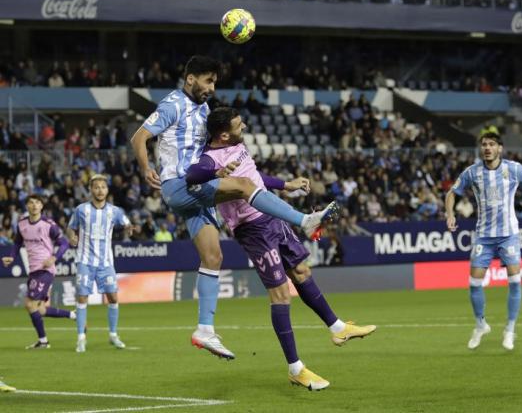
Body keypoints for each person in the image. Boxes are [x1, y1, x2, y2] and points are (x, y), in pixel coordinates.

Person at [130, 56, 336, 360]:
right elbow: (140, 136)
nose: (212, 87)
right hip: (179, 185)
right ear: (190, 79)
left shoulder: (203, 110)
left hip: (196, 192)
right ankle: (304, 220)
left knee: (213, 256)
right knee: (243, 186)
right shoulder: (173, 104)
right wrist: (146, 167)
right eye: (208, 81)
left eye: (214, 81)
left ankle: (205, 329)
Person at [186, 107, 376, 390]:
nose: (245, 127)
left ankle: (338, 328)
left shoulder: (237, 145)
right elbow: (192, 174)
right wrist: (216, 171)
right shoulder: (210, 158)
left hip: (273, 218)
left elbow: (255, 176)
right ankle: (296, 368)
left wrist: (285, 185)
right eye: (239, 125)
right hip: (253, 230)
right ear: (223, 134)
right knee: (280, 295)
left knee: (301, 271)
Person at [445, 132, 522, 351]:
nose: (487, 148)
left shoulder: (513, 169)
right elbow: (451, 192)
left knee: (514, 280)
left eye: (491, 144)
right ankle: (480, 325)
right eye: (484, 144)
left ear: (500, 148)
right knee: (474, 283)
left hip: (508, 234)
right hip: (483, 236)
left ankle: (510, 329)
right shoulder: (472, 172)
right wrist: (450, 214)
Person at [67, 174, 134, 353]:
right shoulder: (81, 210)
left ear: (107, 190)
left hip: (106, 263)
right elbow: (70, 227)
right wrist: (72, 236)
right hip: (84, 261)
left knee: (113, 297)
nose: (100, 190)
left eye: (103, 187)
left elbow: (127, 223)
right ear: (91, 189)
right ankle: (81, 338)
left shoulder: (115, 211)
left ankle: (113, 335)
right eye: (96, 187)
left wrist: (130, 228)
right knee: (82, 298)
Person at [2, 195, 74, 349]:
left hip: (45, 269)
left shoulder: (48, 225)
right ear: (27, 205)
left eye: (38, 203)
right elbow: (17, 242)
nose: (34, 205)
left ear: (42, 206)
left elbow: (64, 243)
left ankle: (43, 342)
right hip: (33, 270)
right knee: (40, 309)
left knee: (30, 304)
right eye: (31, 202)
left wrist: (54, 258)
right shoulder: (22, 223)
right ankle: (74, 315)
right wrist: (12, 257)